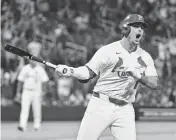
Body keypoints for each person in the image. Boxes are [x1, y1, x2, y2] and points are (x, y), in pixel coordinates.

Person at [55, 14, 159, 140]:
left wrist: (138, 76)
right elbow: (88, 72)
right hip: (101, 104)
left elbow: (154, 83)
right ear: (125, 29)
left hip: (125, 109)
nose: (140, 30)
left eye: (142, 28)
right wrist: (71, 71)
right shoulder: (108, 50)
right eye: (136, 26)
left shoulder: (145, 57)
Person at [16, 41, 49, 131]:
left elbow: (45, 81)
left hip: (37, 91)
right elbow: (20, 81)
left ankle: (37, 125)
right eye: (31, 59)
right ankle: (22, 125)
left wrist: (44, 91)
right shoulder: (25, 68)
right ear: (29, 60)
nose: (33, 61)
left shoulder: (40, 69)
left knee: (37, 109)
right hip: (26, 90)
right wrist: (18, 93)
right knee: (24, 109)